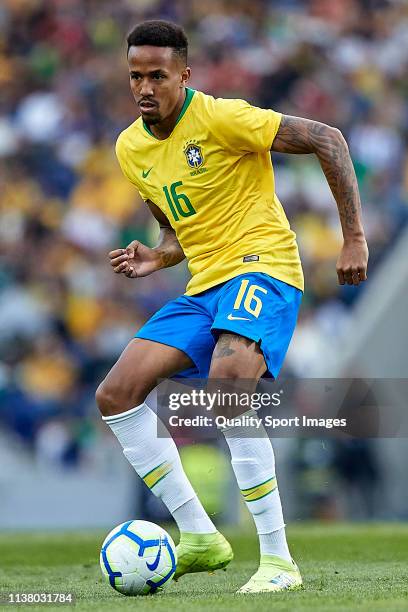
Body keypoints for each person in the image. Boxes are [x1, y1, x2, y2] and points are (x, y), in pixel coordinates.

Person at [96, 20, 368, 594]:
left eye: (158, 75)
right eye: (136, 76)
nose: (145, 87)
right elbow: (179, 227)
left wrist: (353, 237)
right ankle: (198, 535)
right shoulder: (130, 147)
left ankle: (278, 561)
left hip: (263, 266)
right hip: (205, 283)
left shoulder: (222, 117)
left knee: (228, 384)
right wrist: (158, 257)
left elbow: (329, 138)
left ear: (184, 75)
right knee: (115, 394)